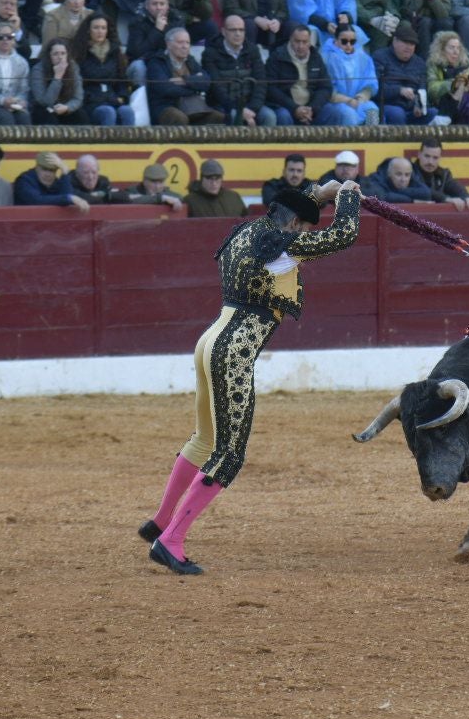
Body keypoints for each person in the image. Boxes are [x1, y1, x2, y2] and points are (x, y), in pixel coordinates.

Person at [141, 176, 360, 574]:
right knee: (229, 454)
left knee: (204, 438)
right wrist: (346, 198)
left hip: (209, 342)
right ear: (295, 224)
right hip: (234, 352)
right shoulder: (286, 243)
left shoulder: (248, 232)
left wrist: (320, 195)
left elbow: (295, 210)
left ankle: (160, 519)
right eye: (306, 225)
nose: (306, 232)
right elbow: (344, 235)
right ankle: (170, 539)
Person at [412, 138, 469, 209]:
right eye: (427, 156)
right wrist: (445, 198)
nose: (430, 162)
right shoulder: (409, 171)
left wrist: (466, 197)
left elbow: (455, 186)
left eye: (435, 158)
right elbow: (420, 189)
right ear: (419, 154)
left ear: (440, 158)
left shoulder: (444, 174)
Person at [183, 159, 247, 218]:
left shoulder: (234, 197)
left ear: (221, 179)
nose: (214, 183)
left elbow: (247, 222)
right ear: (202, 178)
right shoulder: (189, 201)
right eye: (209, 178)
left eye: (217, 178)